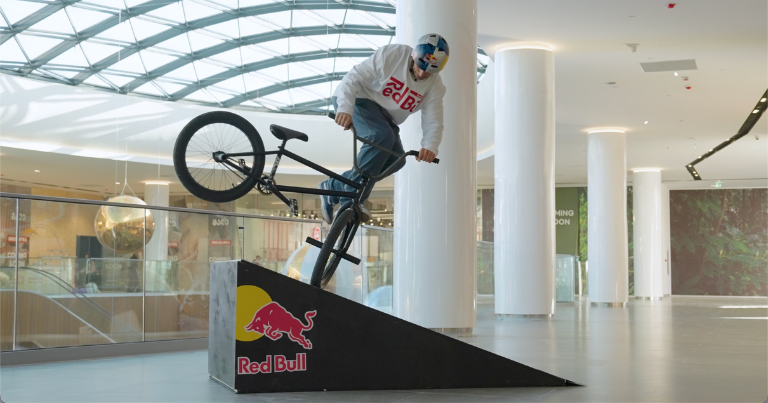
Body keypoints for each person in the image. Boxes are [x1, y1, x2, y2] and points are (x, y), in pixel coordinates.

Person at [317, 33, 449, 224]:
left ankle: (333, 187)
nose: (422, 74)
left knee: (396, 160)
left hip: (384, 118)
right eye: (421, 66)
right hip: (359, 99)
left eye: (430, 71)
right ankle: (351, 200)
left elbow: (433, 120)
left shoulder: (435, 87)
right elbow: (354, 77)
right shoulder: (394, 55)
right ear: (414, 55)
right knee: (380, 137)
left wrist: (430, 146)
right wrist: (345, 108)